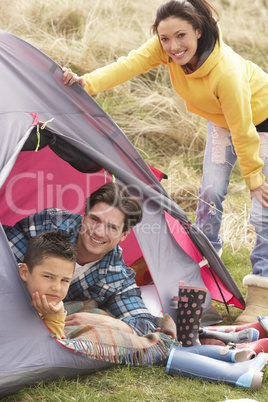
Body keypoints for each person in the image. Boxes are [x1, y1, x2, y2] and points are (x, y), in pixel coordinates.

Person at [62, 0, 268, 324]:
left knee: (263, 208)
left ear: (199, 31)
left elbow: (244, 129)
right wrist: (88, 83)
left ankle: (262, 293)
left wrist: (254, 178)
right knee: (210, 194)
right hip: (222, 122)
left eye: (181, 36)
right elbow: (129, 64)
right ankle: (204, 275)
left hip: (262, 123)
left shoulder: (225, 73)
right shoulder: (167, 47)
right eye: (165, 39)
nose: (173, 46)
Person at [4, 182, 157, 336]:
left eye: (112, 227)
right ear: (84, 216)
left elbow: (146, 326)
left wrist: (107, 322)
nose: (98, 232)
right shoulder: (48, 223)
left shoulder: (117, 276)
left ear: (123, 234)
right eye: (95, 219)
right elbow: (4, 261)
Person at [19, 231, 76, 340]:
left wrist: (54, 316)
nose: (57, 288)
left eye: (64, 280)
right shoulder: (6, 294)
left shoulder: (56, 307)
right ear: (25, 272)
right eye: (48, 277)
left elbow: (48, 348)